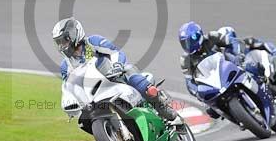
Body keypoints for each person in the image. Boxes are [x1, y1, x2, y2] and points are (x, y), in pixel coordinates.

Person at [52, 17, 182, 125]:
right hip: (96, 92)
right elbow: (69, 86)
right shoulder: (66, 65)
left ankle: (166, 110)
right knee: (85, 120)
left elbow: (115, 52)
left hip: (114, 76)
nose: (62, 45)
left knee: (134, 76)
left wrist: (117, 65)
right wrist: (70, 102)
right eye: (58, 42)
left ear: (74, 34)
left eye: (64, 40)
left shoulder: (93, 42)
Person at [178, 21, 276, 98]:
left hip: (231, 66)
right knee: (211, 110)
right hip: (215, 82)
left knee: (252, 68)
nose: (188, 45)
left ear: (198, 35)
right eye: (185, 43)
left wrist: (239, 55)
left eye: (190, 41)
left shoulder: (212, 37)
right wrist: (198, 93)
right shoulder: (185, 60)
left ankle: (271, 88)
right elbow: (189, 82)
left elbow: (233, 42)